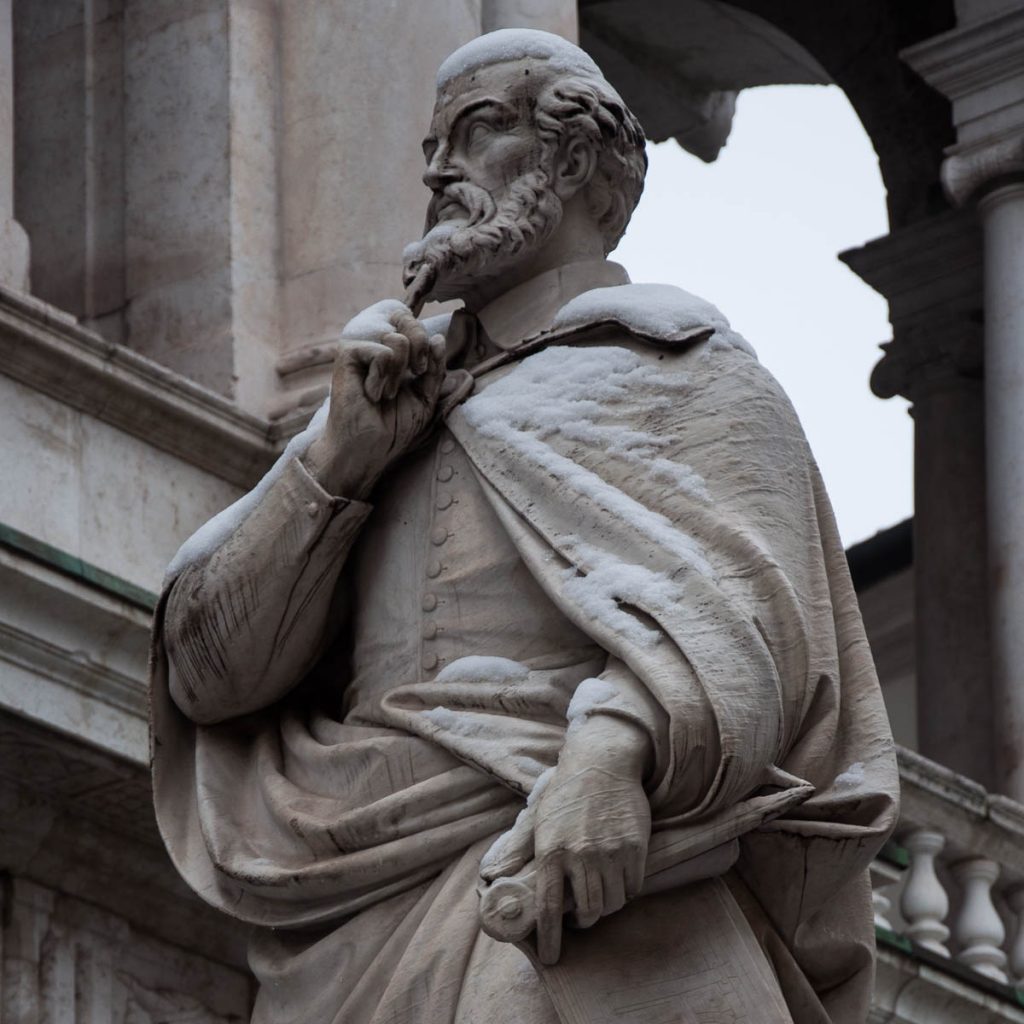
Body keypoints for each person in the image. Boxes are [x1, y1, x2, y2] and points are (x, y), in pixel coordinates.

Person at [151, 29, 898, 1024]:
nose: (437, 170)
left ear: (578, 158)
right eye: (431, 148)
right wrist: (342, 459)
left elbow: (756, 632)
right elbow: (209, 671)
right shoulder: (387, 403)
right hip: (359, 914)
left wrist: (608, 751)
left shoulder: (683, 367)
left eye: (476, 130)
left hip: (587, 881)